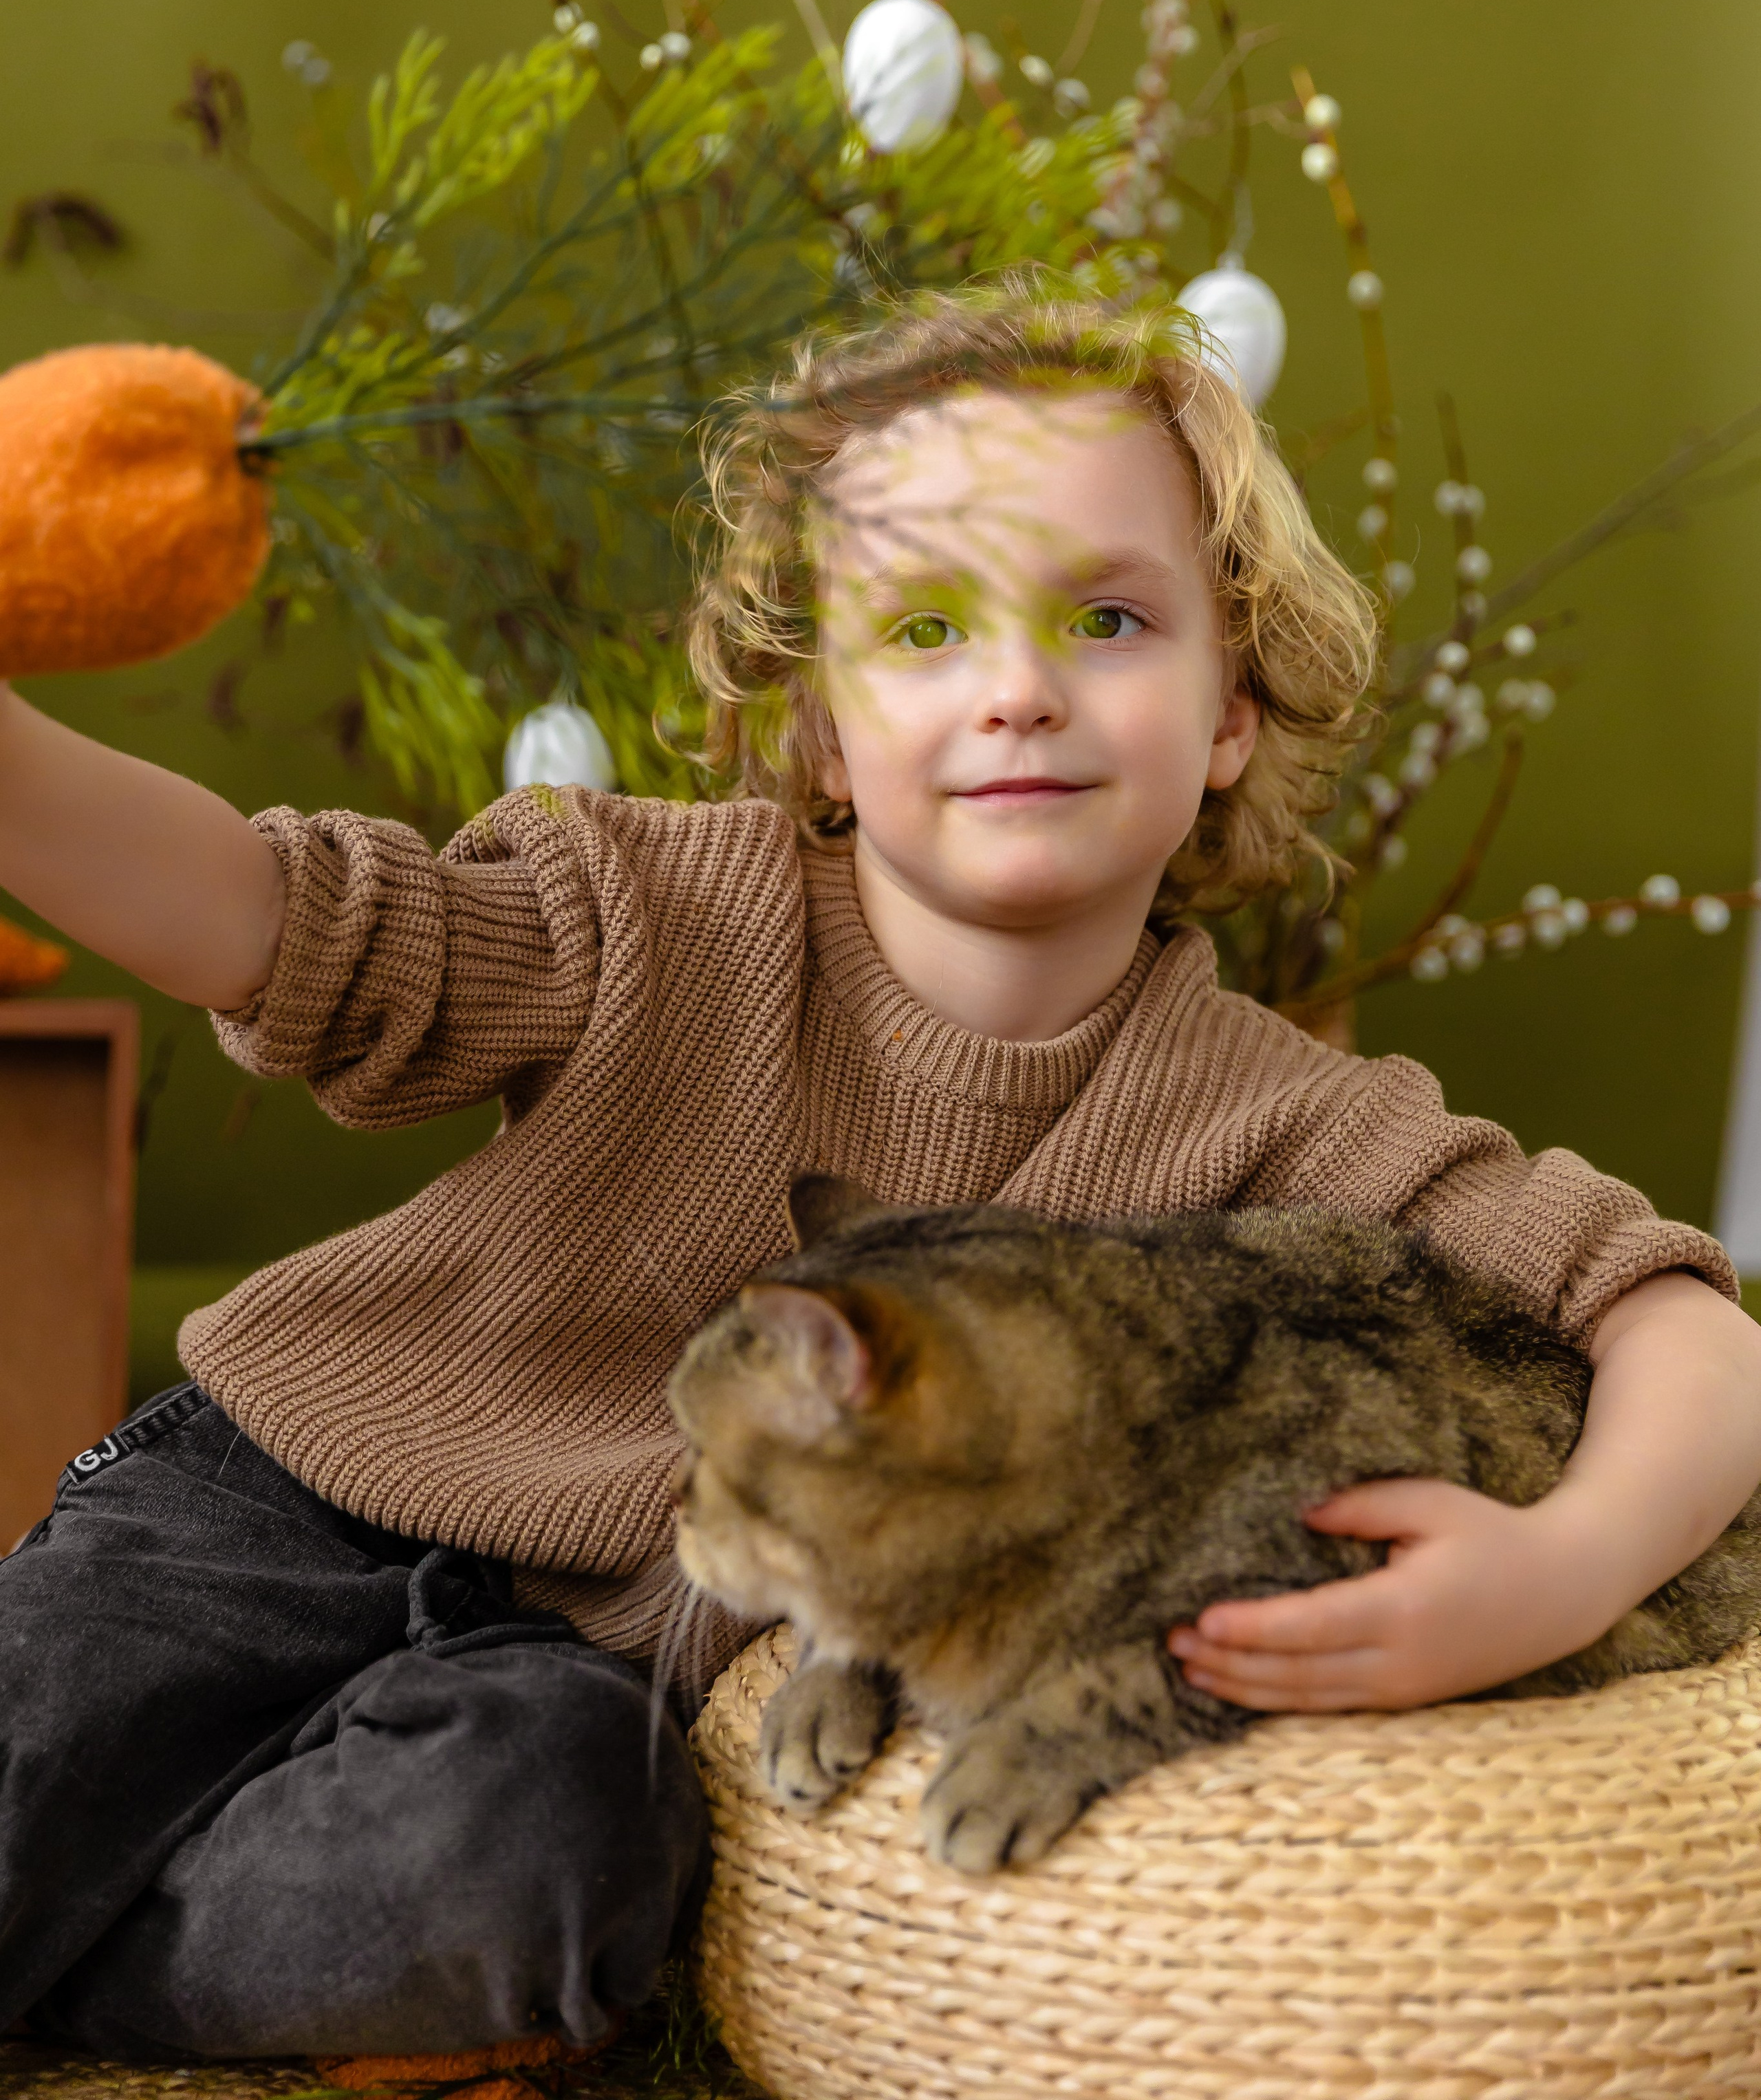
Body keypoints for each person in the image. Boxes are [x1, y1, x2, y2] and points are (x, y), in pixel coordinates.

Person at [2, 280, 1758, 2066]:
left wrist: (1568, 1563)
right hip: (268, 1512)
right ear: (825, 726)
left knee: (545, 1898)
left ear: (1233, 703)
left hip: (568, 1681)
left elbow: (1682, 1317)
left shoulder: (1281, 1116)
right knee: (38, 1750)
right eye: (925, 628)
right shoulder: (659, 909)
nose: (1017, 690)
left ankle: (99, 1943)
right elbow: (272, 920)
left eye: (1105, 617)